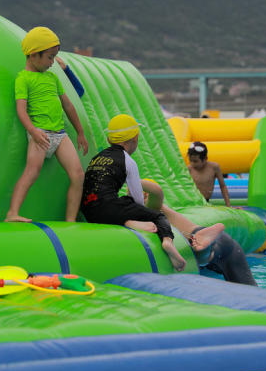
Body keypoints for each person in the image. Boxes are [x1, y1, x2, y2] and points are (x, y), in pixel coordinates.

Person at [81, 114, 222, 272]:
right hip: (109, 207)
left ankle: (128, 222)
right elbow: (138, 200)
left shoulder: (97, 158)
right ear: (135, 139)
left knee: (123, 203)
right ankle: (168, 241)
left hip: (88, 210)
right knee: (157, 216)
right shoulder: (127, 160)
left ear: (109, 140)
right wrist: (144, 214)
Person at [6, 27, 89, 222]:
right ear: (34, 55)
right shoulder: (23, 79)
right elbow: (21, 109)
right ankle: (12, 213)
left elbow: (68, 105)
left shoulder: (53, 78)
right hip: (40, 133)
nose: (52, 63)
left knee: (78, 175)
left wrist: (80, 132)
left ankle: (70, 221)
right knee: (31, 172)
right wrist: (33, 131)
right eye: (50, 57)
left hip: (59, 134)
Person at [139, 179, 254, 285]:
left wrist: (130, 178)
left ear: (145, 195)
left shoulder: (150, 205)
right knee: (249, 291)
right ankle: (205, 247)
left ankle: (205, 247)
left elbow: (156, 190)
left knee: (202, 254)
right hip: (208, 239)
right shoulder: (137, 209)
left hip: (214, 243)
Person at [187, 142, 231, 206]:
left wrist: (228, 205)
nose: (192, 164)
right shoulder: (189, 169)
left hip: (206, 201)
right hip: (192, 202)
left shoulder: (214, 167)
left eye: (195, 161)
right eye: (190, 161)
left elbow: (223, 186)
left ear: (205, 159)